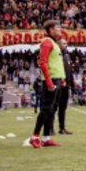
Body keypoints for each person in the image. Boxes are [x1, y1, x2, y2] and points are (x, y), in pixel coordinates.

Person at [30, 21, 66, 149]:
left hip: (57, 78)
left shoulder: (54, 43)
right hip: (51, 80)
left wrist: (62, 79)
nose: (60, 29)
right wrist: (49, 81)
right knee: (45, 109)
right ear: (51, 30)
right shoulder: (47, 42)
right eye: (57, 27)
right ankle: (35, 137)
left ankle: (46, 137)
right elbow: (43, 62)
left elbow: (55, 63)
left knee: (51, 110)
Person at [57, 32, 74, 134]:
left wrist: (71, 84)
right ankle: (49, 128)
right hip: (58, 84)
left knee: (63, 107)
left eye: (66, 43)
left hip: (66, 86)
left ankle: (62, 128)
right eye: (64, 43)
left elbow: (69, 71)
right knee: (54, 107)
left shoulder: (67, 56)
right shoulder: (56, 55)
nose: (66, 45)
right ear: (59, 45)